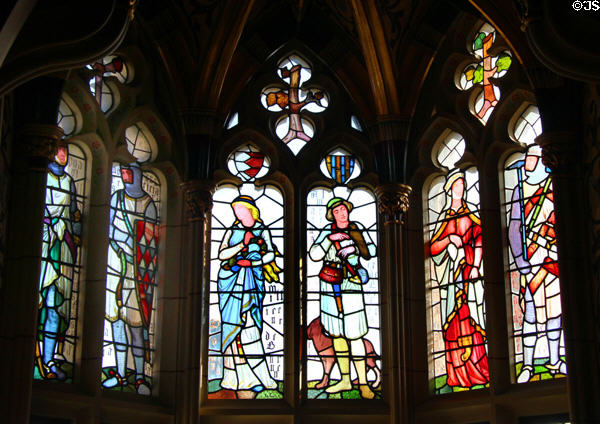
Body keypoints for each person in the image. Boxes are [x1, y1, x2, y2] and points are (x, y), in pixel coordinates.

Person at [309, 197, 376, 399]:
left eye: (344, 209)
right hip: (329, 284)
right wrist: (329, 240)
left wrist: (353, 246)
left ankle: (363, 383)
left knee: (355, 334)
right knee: (337, 335)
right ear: (332, 215)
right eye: (337, 211)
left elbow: (371, 250)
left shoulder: (357, 229)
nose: (342, 213)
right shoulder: (326, 232)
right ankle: (345, 379)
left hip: (351, 282)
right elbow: (314, 254)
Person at [508, 151, 565, 382]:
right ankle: (528, 365)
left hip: (552, 262)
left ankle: (554, 361)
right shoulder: (519, 191)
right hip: (531, 265)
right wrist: (521, 261)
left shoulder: (555, 186)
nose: (526, 166)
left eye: (529, 161)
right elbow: (514, 229)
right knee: (530, 316)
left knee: (555, 314)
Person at [217, 195, 281, 398]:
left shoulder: (262, 230)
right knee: (232, 327)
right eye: (235, 209)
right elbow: (221, 255)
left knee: (250, 325)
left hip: (252, 278)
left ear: (250, 210)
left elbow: (270, 253)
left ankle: (261, 376)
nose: (237, 213)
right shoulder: (232, 230)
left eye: (240, 209)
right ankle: (235, 377)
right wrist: (242, 246)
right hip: (229, 280)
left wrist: (253, 263)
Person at [429, 172, 489, 388]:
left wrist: (475, 266)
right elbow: (433, 249)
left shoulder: (471, 214)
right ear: (449, 189)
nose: (460, 188)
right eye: (457, 184)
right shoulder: (444, 218)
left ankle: (479, 371)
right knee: (453, 324)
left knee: (474, 320)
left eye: (463, 184)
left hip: (470, 276)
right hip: (451, 280)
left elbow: (481, 238)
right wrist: (448, 239)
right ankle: (456, 375)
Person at [103, 162, 158, 395]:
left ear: (137, 175)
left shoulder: (148, 204)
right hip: (115, 267)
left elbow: (151, 242)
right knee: (116, 324)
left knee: (136, 328)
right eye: (122, 171)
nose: (124, 175)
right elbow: (107, 228)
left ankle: (139, 376)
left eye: (128, 172)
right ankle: (120, 373)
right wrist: (119, 242)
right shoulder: (115, 198)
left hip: (137, 275)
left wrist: (131, 243)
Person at [36, 145, 81, 380]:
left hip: (61, 248)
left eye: (65, 152)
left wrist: (76, 232)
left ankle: (49, 360)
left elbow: (74, 214)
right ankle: (31, 358)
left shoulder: (69, 183)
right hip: (42, 243)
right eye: (59, 151)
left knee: (57, 307)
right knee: (38, 303)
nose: (62, 156)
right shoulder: (40, 173)